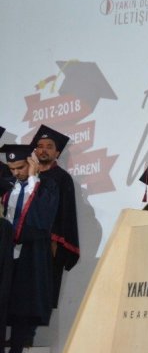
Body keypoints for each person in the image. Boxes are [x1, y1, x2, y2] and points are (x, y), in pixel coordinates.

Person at [0, 145, 58, 353]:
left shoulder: (47, 186)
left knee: (24, 306)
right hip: (5, 255)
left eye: (21, 167)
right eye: (12, 168)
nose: (16, 172)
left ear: (31, 162)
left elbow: (43, 218)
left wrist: (34, 179)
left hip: (30, 254)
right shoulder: (6, 187)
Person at [29, 125, 79, 308]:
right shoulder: (27, 175)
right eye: (40, 146)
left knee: (42, 299)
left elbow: (66, 215)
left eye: (49, 146)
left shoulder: (62, 178)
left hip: (48, 246)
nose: (43, 150)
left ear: (57, 153)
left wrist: (56, 245)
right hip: (24, 244)